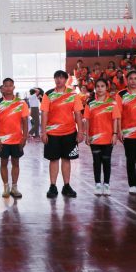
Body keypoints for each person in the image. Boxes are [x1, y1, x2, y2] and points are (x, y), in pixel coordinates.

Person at [41, 70, 83, 198]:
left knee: (66, 159)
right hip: (52, 133)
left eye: (61, 78)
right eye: (56, 78)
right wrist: (43, 132)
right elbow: (44, 114)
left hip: (69, 132)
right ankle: (52, 186)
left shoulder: (73, 94)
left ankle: (66, 186)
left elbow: (77, 113)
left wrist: (80, 131)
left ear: (65, 80)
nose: (58, 80)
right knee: (53, 160)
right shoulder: (48, 94)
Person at [0, 78, 29, 199]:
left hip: (17, 139)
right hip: (2, 140)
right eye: (6, 86)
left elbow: (25, 121)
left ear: (14, 87)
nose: (8, 88)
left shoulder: (21, 103)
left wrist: (24, 137)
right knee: (3, 163)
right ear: (2, 88)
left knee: (16, 162)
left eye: (10, 85)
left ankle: (14, 187)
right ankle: (6, 187)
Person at [83, 79, 120, 196]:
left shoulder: (112, 102)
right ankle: (98, 185)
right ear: (95, 88)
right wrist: (86, 135)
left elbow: (115, 119)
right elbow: (87, 120)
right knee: (96, 162)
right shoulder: (90, 103)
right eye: (98, 86)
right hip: (94, 138)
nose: (100, 88)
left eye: (102, 86)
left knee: (107, 161)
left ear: (106, 88)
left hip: (108, 137)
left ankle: (107, 185)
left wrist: (115, 134)